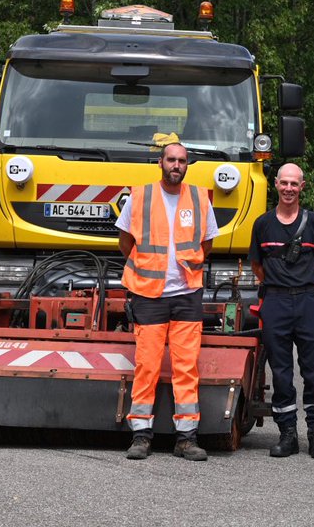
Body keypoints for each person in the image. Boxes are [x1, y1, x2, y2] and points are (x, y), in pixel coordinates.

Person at [117, 142, 218, 462]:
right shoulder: (140, 196)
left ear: (188, 165)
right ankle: (141, 436)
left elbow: (207, 243)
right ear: (160, 162)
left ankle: (186, 438)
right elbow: (125, 241)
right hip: (149, 293)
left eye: (182, 161)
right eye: (171, 159)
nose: (176, 165)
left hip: (187, 293)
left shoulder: (200, 197)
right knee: (146, 365)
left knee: (186, 366)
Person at [249, 163, 314, 459]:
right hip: (276, 302)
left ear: (302, 186)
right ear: (276, 184)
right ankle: (287, 434)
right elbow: (257, 266)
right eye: (284, 183)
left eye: (294, 184)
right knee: (281, 372)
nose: (288, 188)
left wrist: (299, 284)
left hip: (308, 302)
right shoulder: (262, 224)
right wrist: (278, 286)